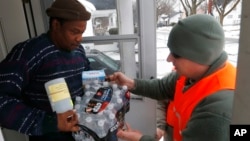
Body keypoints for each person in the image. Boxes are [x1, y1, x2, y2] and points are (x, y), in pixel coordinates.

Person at [107, 14, 236, 141]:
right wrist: (130, 84)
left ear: (200, 56)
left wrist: (140, 139)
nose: (169, 59)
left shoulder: (219, 110)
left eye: (176, 54)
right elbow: (162, 87)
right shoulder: (190, 75)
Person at [0, 0, 91, 140]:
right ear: (55, 25)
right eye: (74, 32)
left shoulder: (78, 50)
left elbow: (88, 79)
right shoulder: (28, 52)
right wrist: (48, 121)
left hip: (81, 132)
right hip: (49, 136)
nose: (79, 39)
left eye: (82, 33)